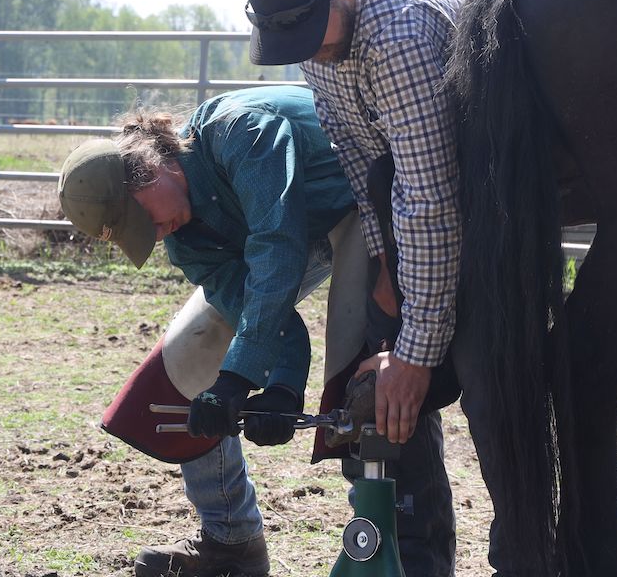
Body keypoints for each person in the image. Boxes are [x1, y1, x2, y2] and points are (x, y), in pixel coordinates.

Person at [58, 86, 455, 577]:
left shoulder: (240, 131)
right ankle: (231, 540)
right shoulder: (185, 240)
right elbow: (252, 301)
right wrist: (278, 386)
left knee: (372, 367)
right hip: (300, 237)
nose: (156, 234)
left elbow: (277, 246)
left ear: (150, 169)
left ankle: (398, 544)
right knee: (192, 354)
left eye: (146, 220)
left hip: (365, 203)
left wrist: (244, 379)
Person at [245, 0, 464, 565]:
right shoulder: (315, 37)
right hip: (414, 211)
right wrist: (385, 269)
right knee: (378, 390)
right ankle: (408, 554)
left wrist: (415, 352)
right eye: (295, 42)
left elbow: (431, 197)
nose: (310, 51)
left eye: (317, 31)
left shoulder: (397, 39)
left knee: (455, 379)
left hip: (479, 206)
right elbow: (365, 163)